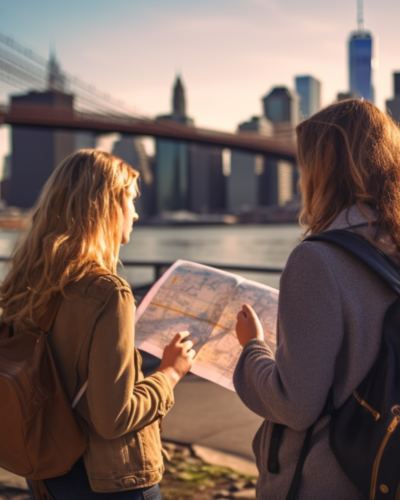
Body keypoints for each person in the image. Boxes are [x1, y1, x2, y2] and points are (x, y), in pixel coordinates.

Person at [0, 149, 196, 500]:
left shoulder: (22, 282)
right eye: (131, 201)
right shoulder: (109, 293)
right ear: (106, 208)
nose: (135, 214)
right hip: (109, 481)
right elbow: (113, 418)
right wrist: (171, 373)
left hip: (47, 467)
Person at [233, 99, 400, 499]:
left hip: (327, 482)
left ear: (324, 171)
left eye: (305, 165)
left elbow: (295, 405)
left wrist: (251, 347)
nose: (299, 180)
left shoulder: (317, 259)